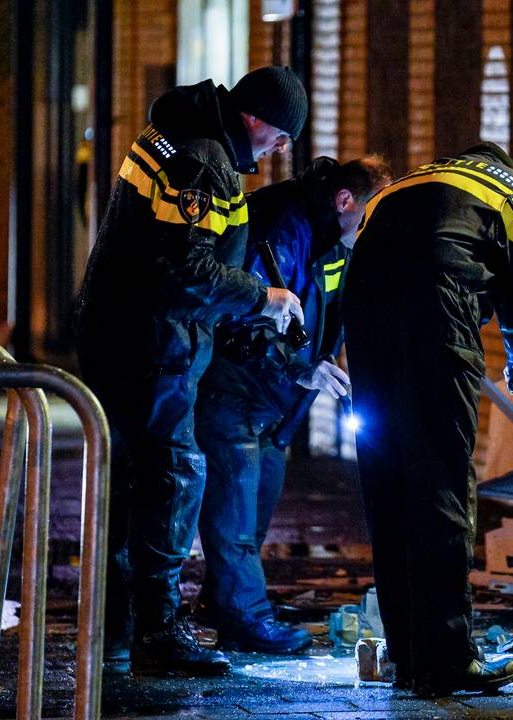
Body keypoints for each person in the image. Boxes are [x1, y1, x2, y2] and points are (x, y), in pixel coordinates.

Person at [75, 66, 308, 676]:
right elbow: (185, 273)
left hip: (126, 336)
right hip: (153, 346)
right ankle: (158, 633)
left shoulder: (180, 135)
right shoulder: (205, 160)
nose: (280, 150)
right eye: (281, 136)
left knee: (133, 480)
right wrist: (264, 298)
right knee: (173, 473)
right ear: (255, 118)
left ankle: (119, 628)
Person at [343, 142, 513, 696]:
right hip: (435, 309)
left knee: (388, 481)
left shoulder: (409, 183)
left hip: (363, 308)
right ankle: (445, 658)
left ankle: (407, 654)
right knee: (440, 477)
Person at [192, 155, 391, 653]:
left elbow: (332, 313)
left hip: (274, 403)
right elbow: (247, 318)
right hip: (234, 388)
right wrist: (301, 370)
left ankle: (228, 605)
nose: (373, 230)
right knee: (235, 512)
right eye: (370, 214)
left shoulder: (334, 239)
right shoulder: (286, 227)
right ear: (345, 201)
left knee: (253, 507)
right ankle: (245, 617)